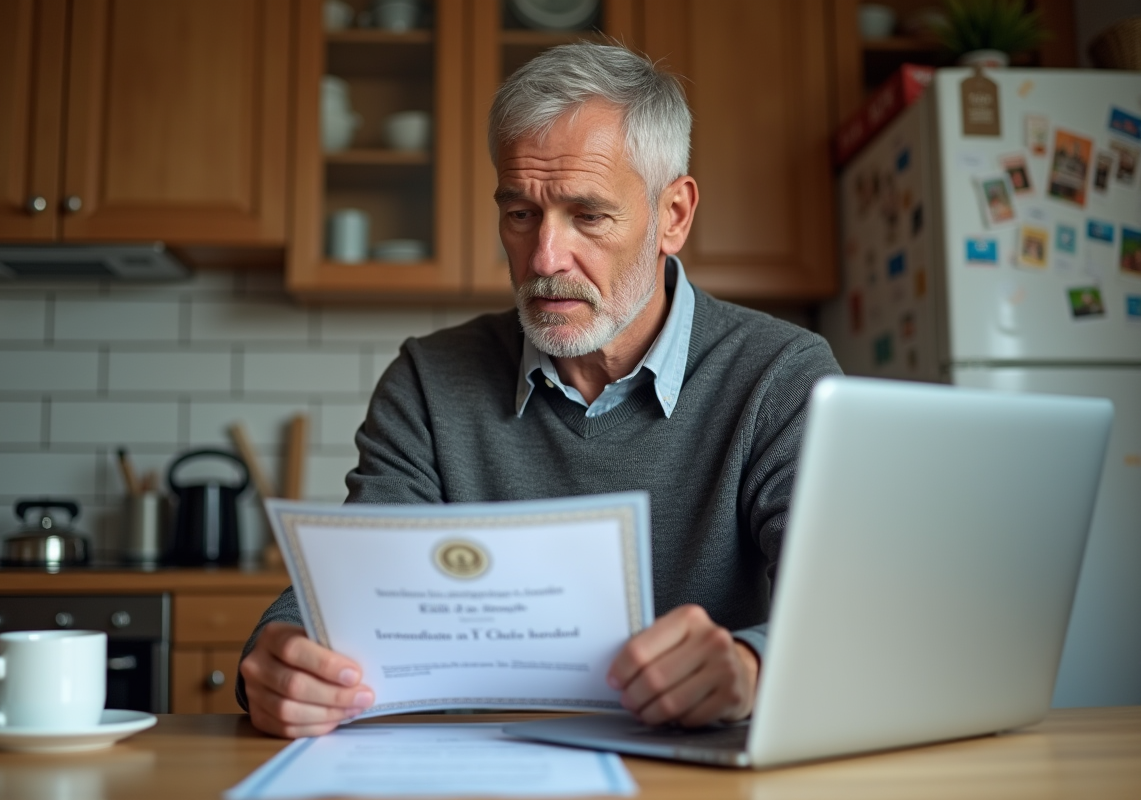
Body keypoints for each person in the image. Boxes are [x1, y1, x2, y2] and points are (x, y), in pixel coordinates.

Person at [237, 42, 841, 738]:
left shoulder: (782, 374)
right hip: (470, 766)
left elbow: (847, 604)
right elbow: (356, 593)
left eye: (588, 215)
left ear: (673, 214)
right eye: (521, 214)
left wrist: (750, 667)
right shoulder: (429, 380)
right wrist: (277, 658)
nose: (545, 259)